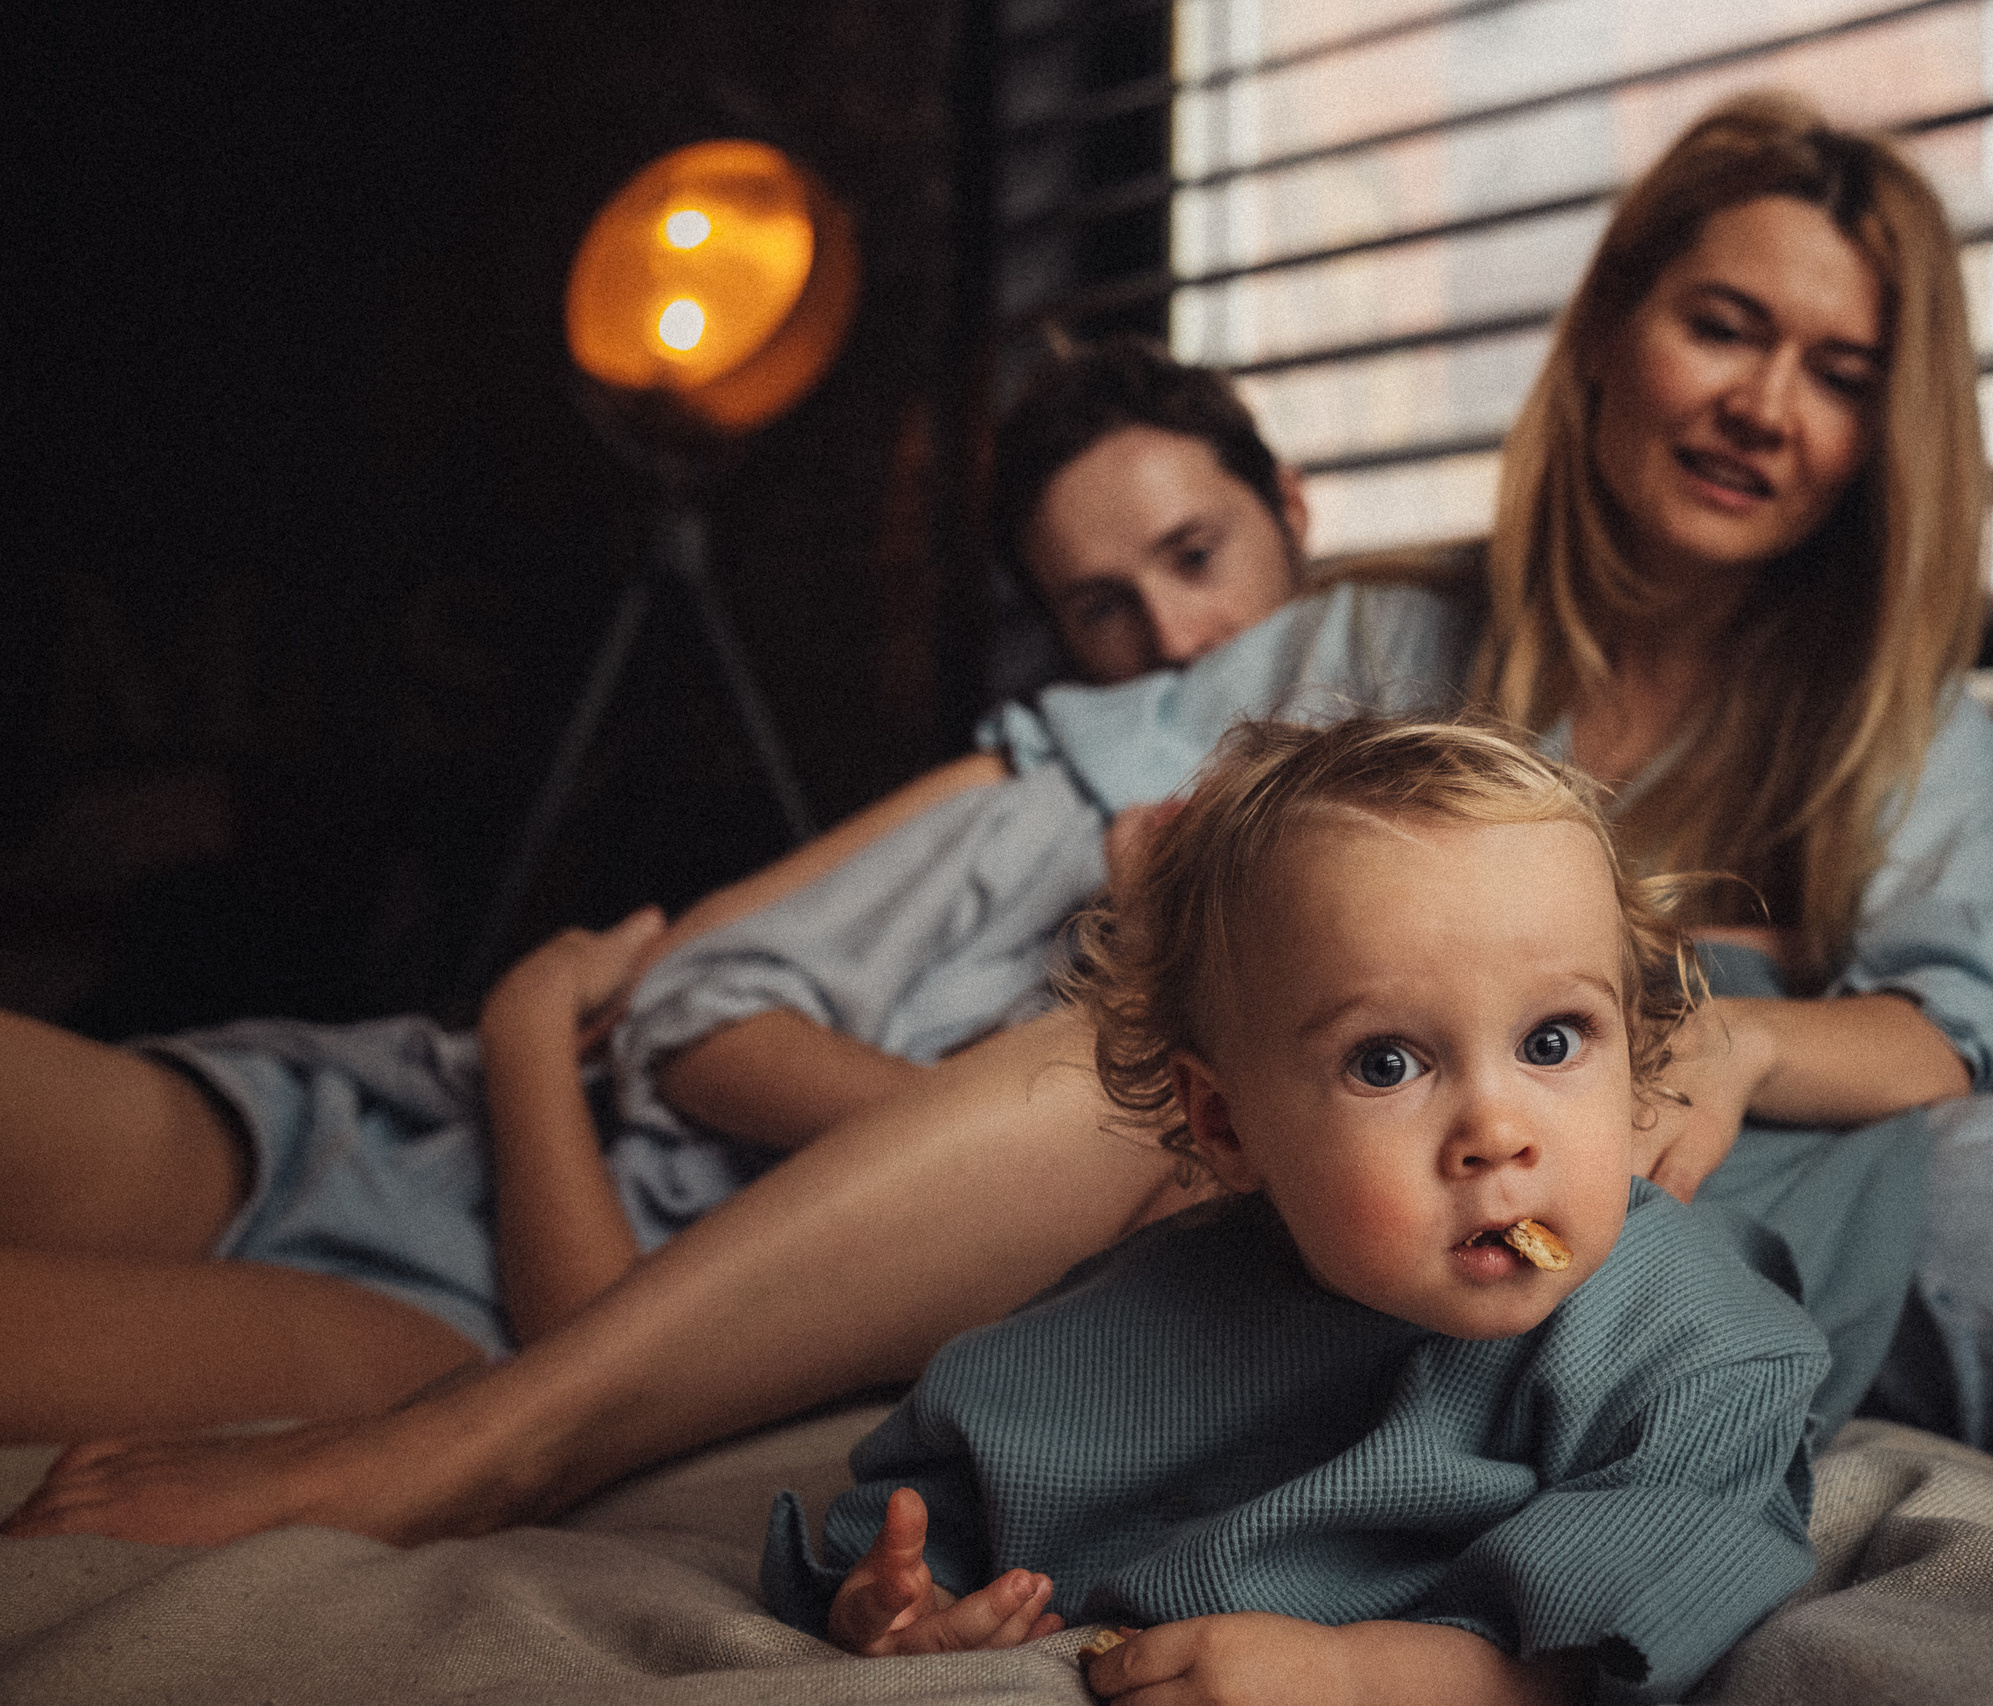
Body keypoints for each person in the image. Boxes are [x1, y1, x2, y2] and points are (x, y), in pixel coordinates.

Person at [12, 88, 1993, 1700]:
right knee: (1237, 995)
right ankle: (487, 1434)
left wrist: (1746, 1035)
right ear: (1615, 334)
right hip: (1612, 1183)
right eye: (1718, 322)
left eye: (1838, 365)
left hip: (1928, 1167)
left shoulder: (1882, 737)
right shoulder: (1348, 646)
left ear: (1894, 431)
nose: (1764, 400)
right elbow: (1036, 823)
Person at [0, 337, 1312, 1442]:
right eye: (1103, 606)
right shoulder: (1044, 810)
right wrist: (960, 1154)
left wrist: (988, 1171)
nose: (1175, 640)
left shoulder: (1332, 1018)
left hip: (466, 1319)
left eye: (1195, 557)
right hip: (383, 1118)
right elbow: (692, 997)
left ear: (1293, 514)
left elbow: (599, 1330)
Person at [765, 716, 1829, 1706]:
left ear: (1633, 1056)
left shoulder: (1697, 1341)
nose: (1497, 1130)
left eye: (1552, 1040)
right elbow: (940, 1493)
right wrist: (901, 1600)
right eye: (1387, 1061)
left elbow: (1680, 1552)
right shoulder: (1141, 1321)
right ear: (1225, 1125)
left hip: (1822, 1174)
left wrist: (1367, 1674)